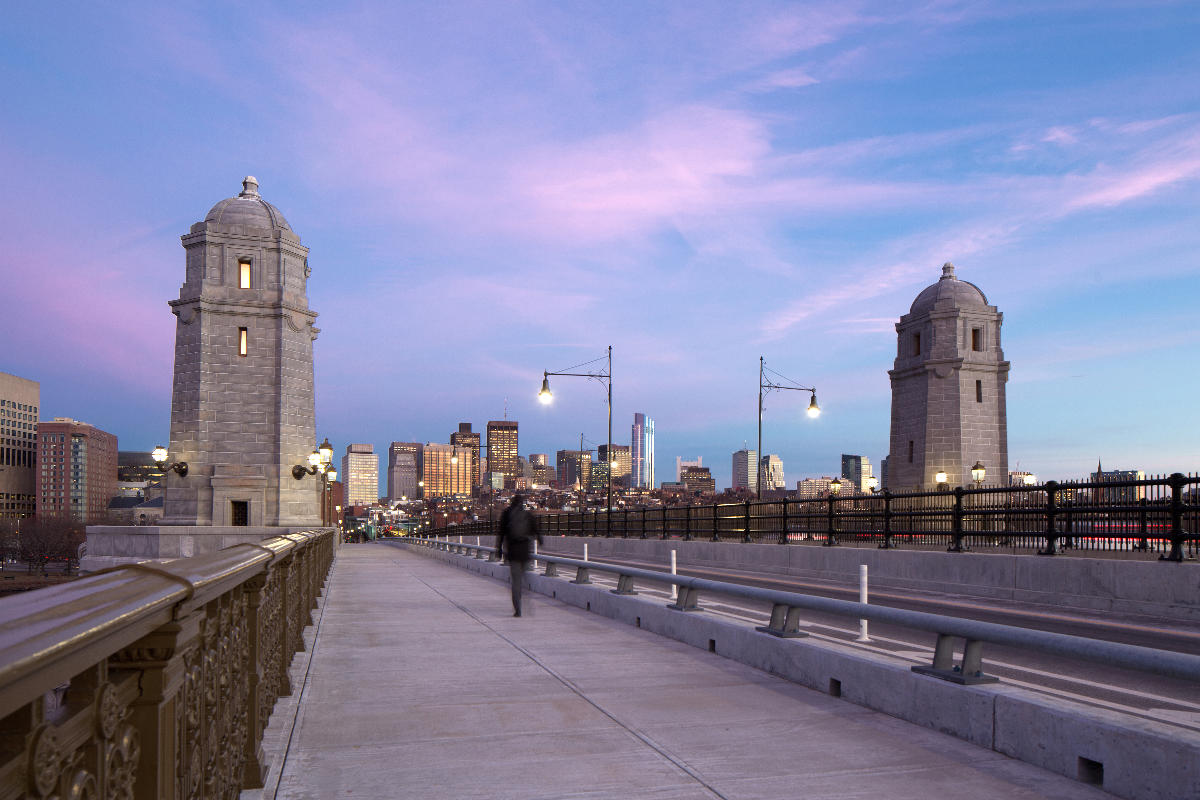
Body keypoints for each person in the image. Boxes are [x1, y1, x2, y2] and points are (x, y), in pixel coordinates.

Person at [496, 494, 542, 617]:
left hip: (512, 552)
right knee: (526, 578)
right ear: (522, 503)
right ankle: (529, 602)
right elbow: (536, 530)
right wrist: (539, 540)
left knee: (516, 582)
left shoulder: (507, 514)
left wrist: (499, 549)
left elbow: (501, 533)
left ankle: (518, 609)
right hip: (525, 551)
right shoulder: (527, 515)